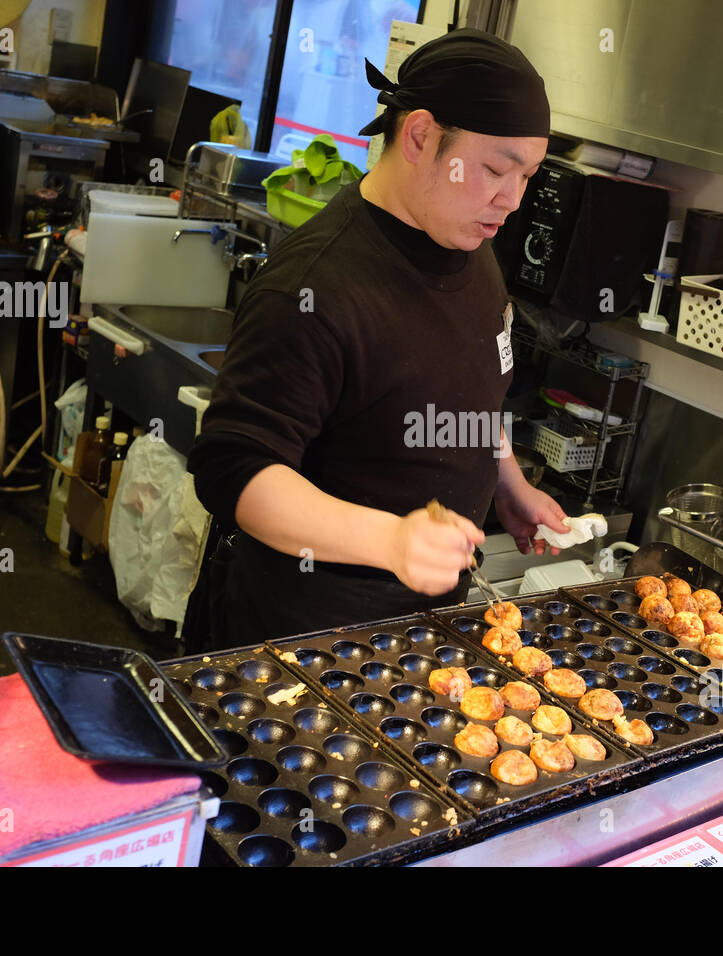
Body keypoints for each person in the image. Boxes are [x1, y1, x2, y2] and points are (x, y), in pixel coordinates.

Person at [187, 29, 569, 648]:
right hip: (296, 643)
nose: (512, 200)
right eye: (497, 169)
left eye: (527, 176)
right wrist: (391, 541)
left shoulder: (471, 250)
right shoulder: (315, 287)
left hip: (419, 633)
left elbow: (468, 394)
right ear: (419, 136)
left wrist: (508, 485)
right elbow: (234, 470)